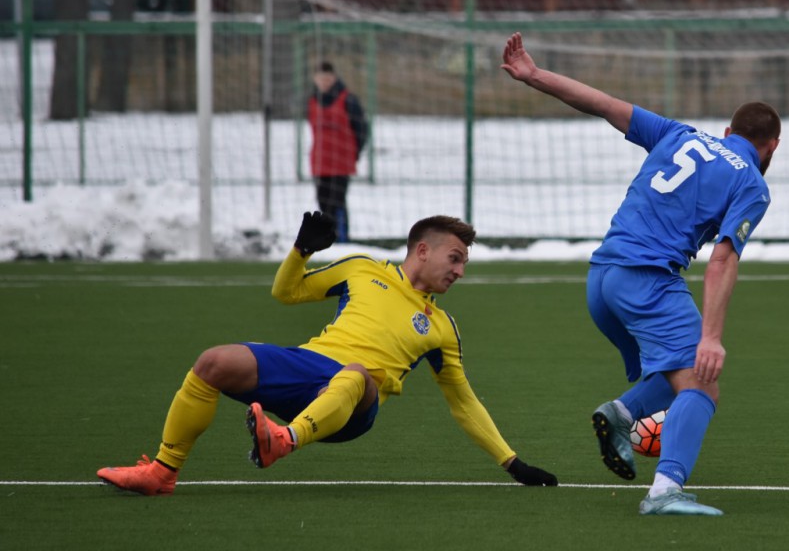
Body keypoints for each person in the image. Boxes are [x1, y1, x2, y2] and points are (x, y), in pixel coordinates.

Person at [501, 32, 780, 516]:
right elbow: (722, 259)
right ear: (772, 146)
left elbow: (603, 104)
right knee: (701, 378)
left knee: (675, 372)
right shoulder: (751, 181)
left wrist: (535, 75)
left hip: (601, 280)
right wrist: (712, 337)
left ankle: (621, 414)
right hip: (647, 280)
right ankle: (664, 490)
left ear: (727, 130)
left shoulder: (679, 133)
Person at [97, 211, 558, 495]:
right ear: (422, 250)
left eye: (464, 263)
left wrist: (512, 463)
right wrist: (300, 251)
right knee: (212, 362)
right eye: (455, 258)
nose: (460, 271)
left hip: (356, 404)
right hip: (308, 366)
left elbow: (463, 402)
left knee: (356, 374)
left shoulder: (441, 328)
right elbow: (287, 292)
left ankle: (284, 439)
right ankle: (162, 472)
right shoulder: (362, 269)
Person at [308, 62, 369, 242]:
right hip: (320, 161)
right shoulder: (312, 101)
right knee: (323, 202)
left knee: (337, 202)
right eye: (321, 78)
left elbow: (362, 129)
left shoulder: (348, 99)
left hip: (341, 162)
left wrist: (354, 153)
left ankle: (342, 240)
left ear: (334, 78)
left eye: (328, 78)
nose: (324, 82)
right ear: (315, 79)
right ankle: (327, 239)